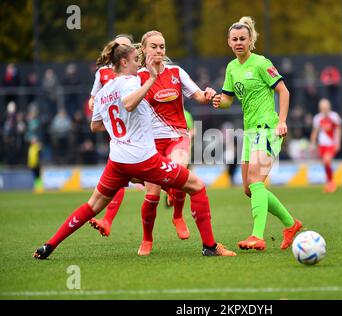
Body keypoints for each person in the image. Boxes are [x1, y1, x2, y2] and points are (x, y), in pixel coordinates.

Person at [33, 43, 236, 259]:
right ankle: (210, 247)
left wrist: (120, 127)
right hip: (143, 159)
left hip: (117, 161)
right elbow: (129, 103)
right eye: (135, 59)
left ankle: (49, 245)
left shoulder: (103, 92)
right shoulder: (131, 82)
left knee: (93, 205)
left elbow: (95, 126)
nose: (138, 62)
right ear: (124, 62)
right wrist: (151, 79)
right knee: (197, 186)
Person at [91, 30, 217, 255]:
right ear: (143, 50)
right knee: (152, 195)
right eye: (154, 47)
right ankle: (147, 240)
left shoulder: (176, 72)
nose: (159, 50)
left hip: (177, 135)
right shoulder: (134, 78)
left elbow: (197, 95)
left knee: (179, 168)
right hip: (148, 144)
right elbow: (120, 103)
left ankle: (178, 216)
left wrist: (208, 95)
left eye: (162, 46)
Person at [212, 16, 302, 251]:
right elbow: (228, 100)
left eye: (243, 38)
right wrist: (215, 100)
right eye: (235, 39)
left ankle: (257, 236)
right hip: (250, 132)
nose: (239, 42)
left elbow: (284, 91)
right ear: (229, 42)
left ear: (250, 40)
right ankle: (291, 224)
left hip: (267, 128)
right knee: (248, 188)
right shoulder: (232, 68)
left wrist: (281, 121)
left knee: (255, 182)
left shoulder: (262, 63)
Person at [86, 34, 133, 237]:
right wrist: (94, 103)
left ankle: (175, 197)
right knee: (123, 178)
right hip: (121, 136)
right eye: (119, 46)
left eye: (126, 46)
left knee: (144, 179)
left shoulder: (138, 71)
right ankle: (107, 220)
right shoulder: (103, 73)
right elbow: (93, 98)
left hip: (142, 132)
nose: (122, 49)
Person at [310, 98, 342, 193]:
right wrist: (312, 143)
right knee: (325, 164)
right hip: (322, 145)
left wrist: (338, 142)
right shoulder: (317, 118)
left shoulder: (334, 117)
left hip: (331, 144)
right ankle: (329, 182)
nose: (324, 109)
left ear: (329, 107)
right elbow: (315, 132)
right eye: (322, 107)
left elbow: (338, 130)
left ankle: (331, 183)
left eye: (326, 107)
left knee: (327, 161)